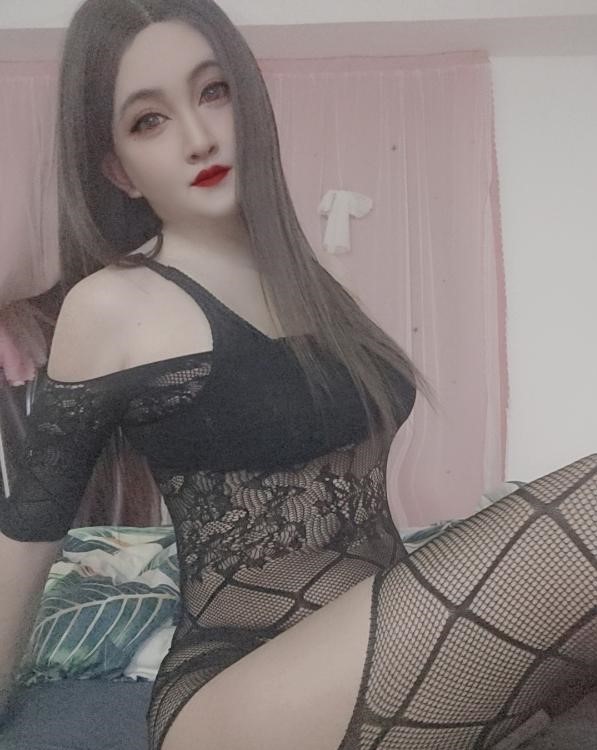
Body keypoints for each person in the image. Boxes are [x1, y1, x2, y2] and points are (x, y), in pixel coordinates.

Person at [0, 1, 596, 749]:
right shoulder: (112, 303)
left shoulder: (313, 287)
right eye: (149, 120)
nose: (198, 136)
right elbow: (33, 521)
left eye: (213, 91)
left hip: (377, 649)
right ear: (119, 169)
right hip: (240, 685)